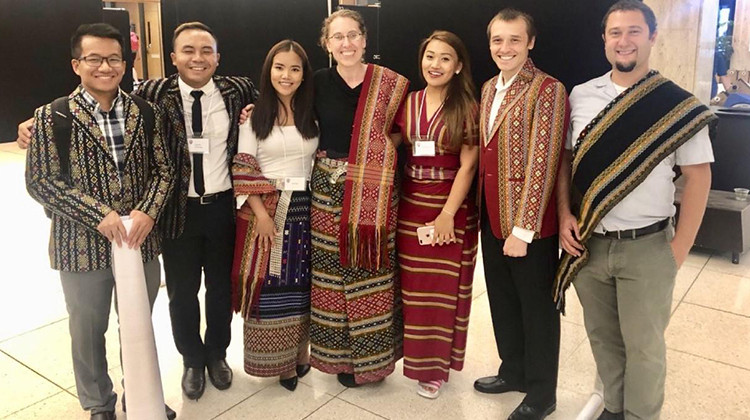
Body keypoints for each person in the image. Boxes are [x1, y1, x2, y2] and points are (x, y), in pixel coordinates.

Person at [554, 2, 715, 419]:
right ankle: (614, 406)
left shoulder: (675, 103)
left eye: (634, 32)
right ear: (604, 39)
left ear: (652, 37)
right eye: (615, 33)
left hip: (648, 247)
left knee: (644, 346)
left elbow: (699, 178)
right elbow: (567, 163)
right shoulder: (582, 95)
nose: (623, 41)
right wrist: (565, 215)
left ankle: (641, 415)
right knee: (603, 338)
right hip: (590, 244)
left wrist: (677, 249)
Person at [25, 23, 174, 420]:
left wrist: (147, 210)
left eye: (113, 59)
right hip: (80, 247)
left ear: (124, 65)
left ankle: (142, 396)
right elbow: (40, 182)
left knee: (139, 326)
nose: (104, 67)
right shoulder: (51, 116)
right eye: (94, 59)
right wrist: (99, 214)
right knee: (88, 331)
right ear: (77, 64)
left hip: (139, 242)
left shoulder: (146, 112)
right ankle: (99, 404)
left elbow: (164, 171)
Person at [133, 22, 257, 400]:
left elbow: (283, 104)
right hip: (176, 211)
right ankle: (190, 358)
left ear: (218, 57)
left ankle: (217, 353)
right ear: (173, 58)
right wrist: (33, 123)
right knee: (182, 293)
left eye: (206, 50)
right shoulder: (153, 92)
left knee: (221, 288)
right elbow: (103, 101)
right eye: (188, 50)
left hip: (222, 208)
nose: (197, 58)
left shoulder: (238, 90)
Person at [472, 9, 568, 420]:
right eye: (497, 40)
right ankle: (513, 370)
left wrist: (524, 229)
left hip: (527, 226)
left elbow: (544, 162)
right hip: (491, 217)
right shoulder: (489, 88)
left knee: (537, 309)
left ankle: (542, 392)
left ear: (530, 42)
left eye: (514, 40)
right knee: (503, 302)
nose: (504, 48)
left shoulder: (547, 89)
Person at [309, 8, 409, 387]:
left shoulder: (391, 84)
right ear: (327, 44)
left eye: (353, 35)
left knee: (373, 272)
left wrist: (372, 160)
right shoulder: (317, 82)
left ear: (365, 39)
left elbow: (404, 133)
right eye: (338, 37)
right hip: (326, 195)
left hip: (375, 194)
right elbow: (294, 118)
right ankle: (341, 362)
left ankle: (374, 362)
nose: (346, 43)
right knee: (331, 279)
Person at [394, 30, 479, 399]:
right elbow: (387, 141)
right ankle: (414, 359)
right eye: (430, 56)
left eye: (445, 58)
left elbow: (469, 167)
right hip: (410, 206)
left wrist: (447, 214)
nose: (436, 65)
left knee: (439, 292)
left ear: (458, 66)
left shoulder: (468, 107)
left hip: (450, 209)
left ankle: (434, 370)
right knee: (412, 290)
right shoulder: (408, 102)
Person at [230, 39, 318, 391]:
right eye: (280, 67)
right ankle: (277, 364)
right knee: (272, 284)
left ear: (303, 74)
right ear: (269, 70)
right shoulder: (255, 115)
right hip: (267, 209)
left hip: (307, 207)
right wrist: (260, 215)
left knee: (302, 285)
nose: (287, 75)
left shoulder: (311, 111)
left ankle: (300, 354)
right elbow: (244, 164)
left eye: (295, 68)